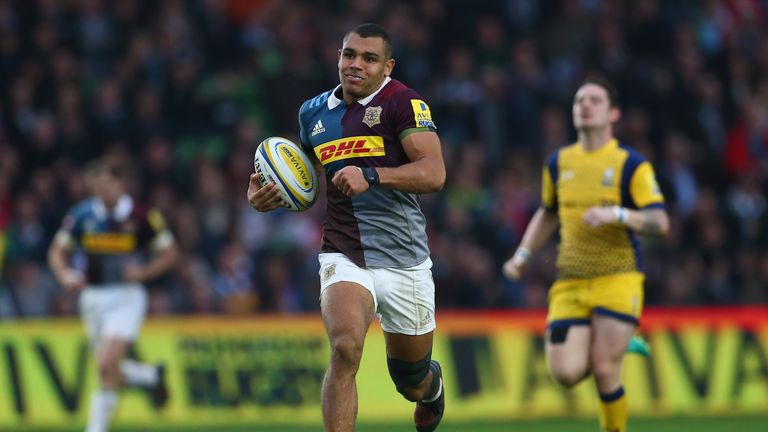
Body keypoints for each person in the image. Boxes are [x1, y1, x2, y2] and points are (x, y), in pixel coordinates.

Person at [247, 23, 446, 432]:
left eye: (369, 58)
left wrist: (372, 176)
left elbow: (434, 173)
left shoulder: (403, 103)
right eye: (349, 54)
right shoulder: (313, 112)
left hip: (404, 258)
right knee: (345, 347)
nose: (356, 64)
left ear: (386, 66)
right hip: (345, 251)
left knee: (410, 381)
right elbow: (301, 178)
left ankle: (431, 387)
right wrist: (267, 195)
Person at [502, 77, 669, 432]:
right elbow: (548, 212)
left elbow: (659, 221)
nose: (585, 106)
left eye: (594, 100)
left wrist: (619, 214)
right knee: (564, 373)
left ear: (614, 113)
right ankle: (618, 341)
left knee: (606, 369)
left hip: (619, 277)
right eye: (579, 101)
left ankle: (614, 355)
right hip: (571, 282)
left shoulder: (630, 164)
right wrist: (522, 255)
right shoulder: (558, 163)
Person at [48, 159, 179, 432]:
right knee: (106, 369)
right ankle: (149, 376)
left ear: (121, 183)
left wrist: (142, 272)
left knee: (105, 362)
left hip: (126, 298)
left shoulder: (142, 216)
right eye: (97, 186)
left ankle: (95, 428)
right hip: (92, 298)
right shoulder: (82, 215)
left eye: (108, 184)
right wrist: (65, 276)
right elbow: (56, 252)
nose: (103, 191)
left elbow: (170, 253)